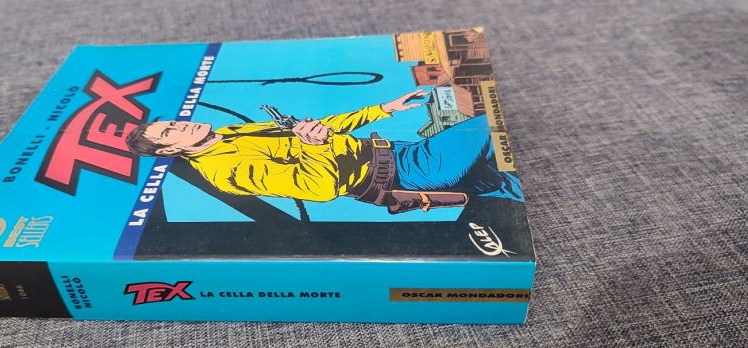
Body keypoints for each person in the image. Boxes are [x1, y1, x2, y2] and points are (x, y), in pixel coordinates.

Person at [126, 89, 521, 213]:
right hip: (406, 172)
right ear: (171, 149)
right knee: (486, 122)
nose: (182, 124)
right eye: (171, 132)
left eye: (174, 120)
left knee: (505, 186)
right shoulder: (224, 171)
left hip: (399, 153)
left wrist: (383, 109)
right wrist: (313, 148)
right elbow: (318, 188)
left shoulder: (229, 132)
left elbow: (318, 129)